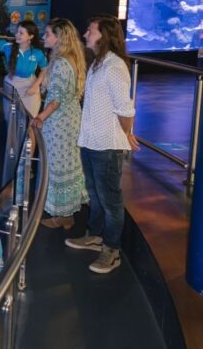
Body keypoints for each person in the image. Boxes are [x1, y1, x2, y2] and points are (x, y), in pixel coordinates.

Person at [64, 15, 140, 274]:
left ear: (103, 36)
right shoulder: (98, 63)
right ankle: (95, 235)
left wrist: (126, 134)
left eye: (90, 30)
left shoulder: (114, 67)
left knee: (110, 200)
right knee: (95, 195)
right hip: (91, 142)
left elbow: (125, 108)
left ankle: (112, 249)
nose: (85, 34)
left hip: (106, 145)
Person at [31, 18, 89, 230]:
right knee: (66, 165)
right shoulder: (70, 59)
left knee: (55, 166)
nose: (44, 37)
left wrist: (39, 118)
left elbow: (54, 100)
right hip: (70, 120)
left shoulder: (61, 64)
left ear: (60, 38)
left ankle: (62, 214)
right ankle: (65, 215)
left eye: (48, 34)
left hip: (59, 125)